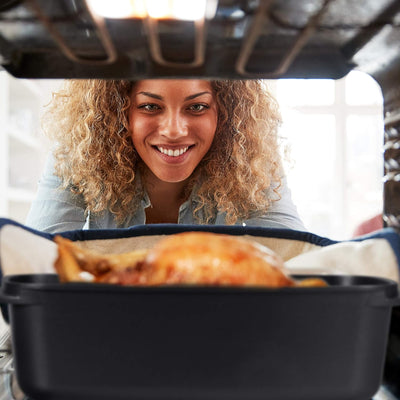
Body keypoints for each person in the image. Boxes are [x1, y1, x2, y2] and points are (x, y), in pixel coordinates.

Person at [25, 79, 305, 233]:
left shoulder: (249, 156)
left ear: (226, 113)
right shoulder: (81, 150)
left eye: (196, 107)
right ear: (120, 111)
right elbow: (37, 265)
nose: (173, 131)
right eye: (149, 106)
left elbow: (291, 258)